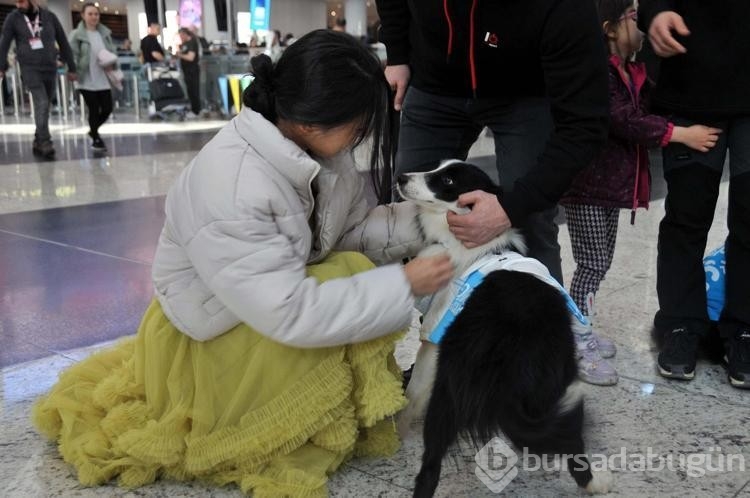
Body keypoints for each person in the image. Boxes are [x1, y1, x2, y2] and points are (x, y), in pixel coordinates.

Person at [31, 30, 454, 495]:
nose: (362, 136)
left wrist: (430, 222)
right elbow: (288, 310)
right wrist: (402, 284)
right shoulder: (236, 184)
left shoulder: (318, 153)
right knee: (351, 276)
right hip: (213, 328)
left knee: (348, 269)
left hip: (258, 304)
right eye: (359, 125)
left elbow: (343, 234)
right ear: (315, 122)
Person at [375, 0, 609, 287]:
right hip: (434, 80)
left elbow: (585, 124)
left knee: (531, 222)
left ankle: (543, 324)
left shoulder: (568, 10)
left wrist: (511, 208)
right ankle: (441, 323)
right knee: (410, 205)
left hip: (526, 91)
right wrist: (397, 54)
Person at [559, 0, 721, 385]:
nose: (643, 24)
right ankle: (574, 340)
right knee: (592, 266)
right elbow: (625, 120)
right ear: (609, 28)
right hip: (588, 188)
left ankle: (579, 330)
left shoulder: (631, 71)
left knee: (597, 264)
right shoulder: (601, 73)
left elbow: (648, 105)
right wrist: (680, 133)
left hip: (607, 190)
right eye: (634, 17)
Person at [638, 1, 750, 387]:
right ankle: (681, 325)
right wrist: (655, 13)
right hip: (692, 88)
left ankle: (745, 329)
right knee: (686, 216)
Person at [0, 0, 77, 158]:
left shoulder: (50, 17)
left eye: (21, 1)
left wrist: (71, 66)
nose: (18, 5)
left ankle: (38, 138)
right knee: (41, 102)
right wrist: (1, 66)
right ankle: (45, 142)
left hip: (50, 67)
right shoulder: (13, 18)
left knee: (45, 105)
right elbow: (4, 43)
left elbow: (63, 41)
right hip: (29, 68)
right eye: (16, 2)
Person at [69, 2, 118, 151]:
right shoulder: (76, 35)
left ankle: (93, 130)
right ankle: (96, 138)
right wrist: (72, 70)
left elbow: (111, 52)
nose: (93, 17)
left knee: (108, 108)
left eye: (96, 14)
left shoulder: (104, 34)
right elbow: (72, 55)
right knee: (94, 108)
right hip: (85, 78)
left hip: (103, 77)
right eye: (90, 14)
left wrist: (112, 63)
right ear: (83, 16)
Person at [176, 27, 200, 117]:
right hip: (186, 71)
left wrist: (180, 55)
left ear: (185, 34)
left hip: (192, 71)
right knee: (190, 91)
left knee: (194, 90)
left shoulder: (192, 42)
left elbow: (190, 57)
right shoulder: (184, 44)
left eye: (181, 35)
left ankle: (196, 110)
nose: (181, 38)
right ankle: (192, 109)